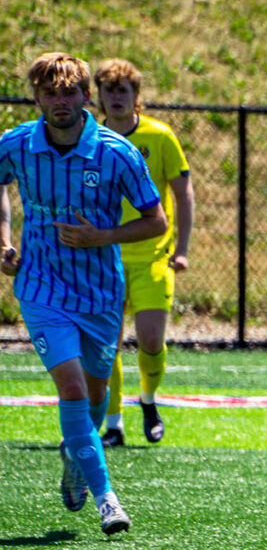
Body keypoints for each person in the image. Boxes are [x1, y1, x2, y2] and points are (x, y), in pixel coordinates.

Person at [0, 52, 166, 534]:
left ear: (85, 97)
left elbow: (156, 221)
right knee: (70, 387)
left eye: (68, 92)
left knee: (95, 394)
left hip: (99, 293)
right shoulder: (16, 145)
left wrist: (102, 237)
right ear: (36, 98)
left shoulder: (116, 152)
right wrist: (4, 239)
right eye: (49, 93)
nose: (60, 101)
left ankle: (75, 455)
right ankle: (107, 499)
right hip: (40, 287)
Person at [93, 59, 195, 447]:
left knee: (151, 339)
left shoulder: (159, 136)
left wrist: (182, 248)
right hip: (103, 258)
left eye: (124, 90)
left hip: (153, 256)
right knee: (107, 344)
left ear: (137, 97)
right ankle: (113, 423)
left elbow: (183, 193)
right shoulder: (91, 139)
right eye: (109, 89)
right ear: (98, 96)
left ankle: (149, 400)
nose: (116, 97)